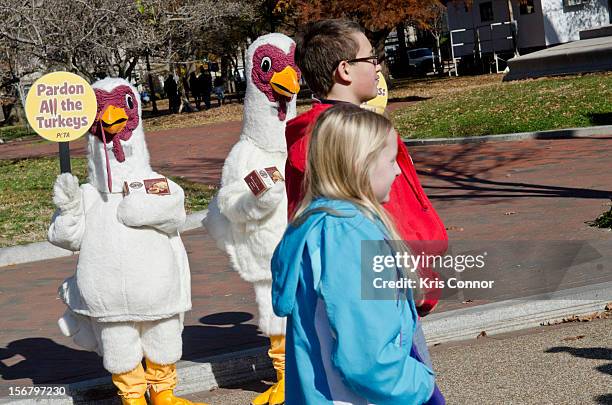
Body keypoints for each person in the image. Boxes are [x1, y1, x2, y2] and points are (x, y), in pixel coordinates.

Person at [272, 104, 445, 404]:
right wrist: (422, 387)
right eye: (391, 160)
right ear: (360, 164)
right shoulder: (348, 234)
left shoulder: (317, 224)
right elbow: (367, 359)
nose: (398, 169)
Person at [285, 19, 448, 318]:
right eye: (371, 58)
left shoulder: (329, 133)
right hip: (382, 295)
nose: (378, 67)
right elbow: (384, 216)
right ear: (344, 69)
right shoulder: (348, 141)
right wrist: (417, 280)